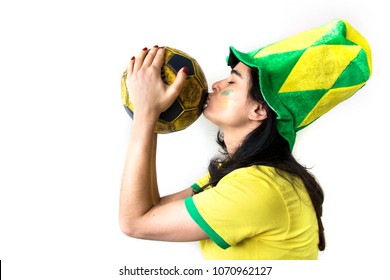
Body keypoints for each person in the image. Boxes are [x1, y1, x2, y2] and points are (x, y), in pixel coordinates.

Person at [119, 19, 372, 260]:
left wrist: (145, 113)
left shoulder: (258, 187)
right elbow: (151, 207)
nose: (216, 84)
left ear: (259, 110)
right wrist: (150, 115)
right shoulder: (239, 174)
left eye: (232, 81)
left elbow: (136, 222)